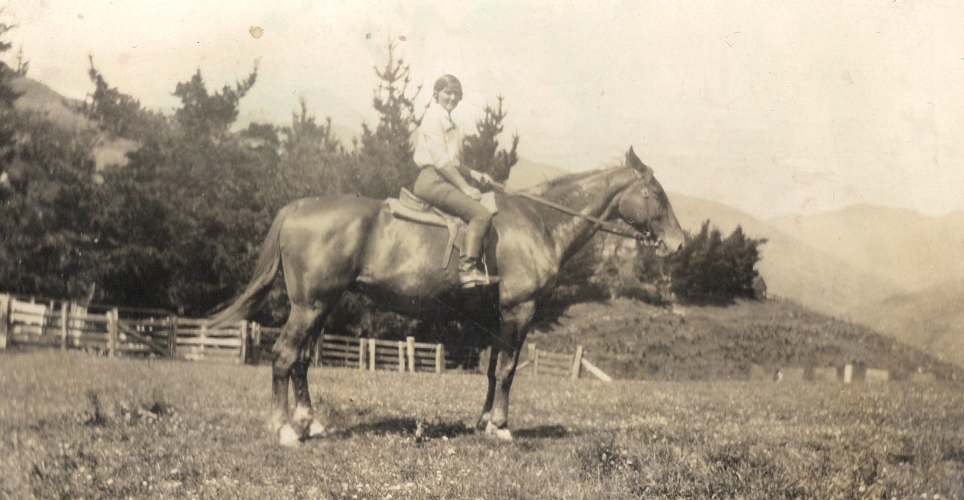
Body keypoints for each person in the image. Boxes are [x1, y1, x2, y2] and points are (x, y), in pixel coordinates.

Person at [413, 74, 499, 287]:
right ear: (436, 94)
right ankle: (468, 269)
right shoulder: (433, 118)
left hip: (442, 178)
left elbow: (454, 162)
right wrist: (466, 188)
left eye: (456, 94)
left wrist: (474, 174)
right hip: (433, 180)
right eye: (447, 92)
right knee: (481, 214)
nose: (452, 97)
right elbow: (442, 164)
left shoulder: (448, 121)